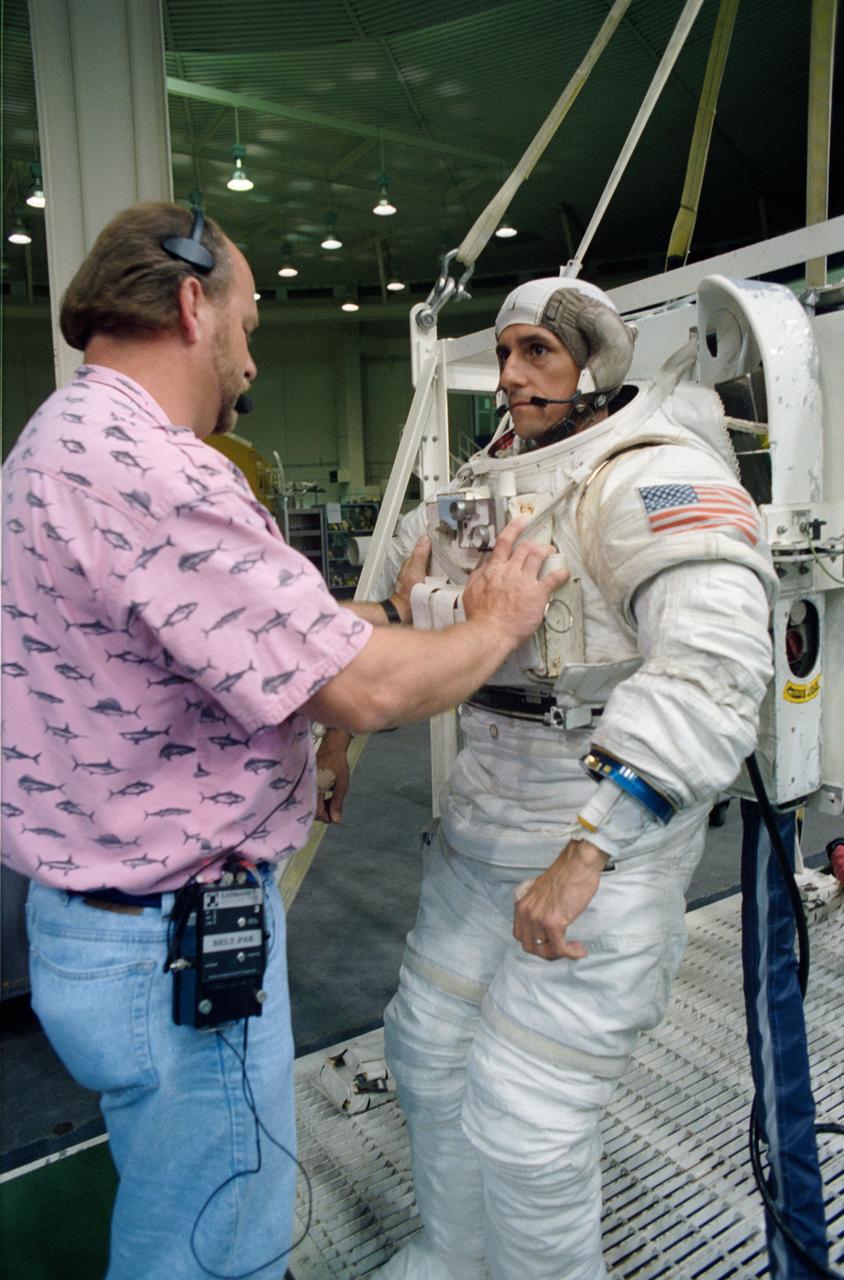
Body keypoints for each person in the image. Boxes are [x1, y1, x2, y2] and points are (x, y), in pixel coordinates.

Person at [0, 204, 568, 1280]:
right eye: (248, 321)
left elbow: (261, 636)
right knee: (218, 1242)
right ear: (188, 302)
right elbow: (361, 690)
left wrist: (388, 632)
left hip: (94, 930)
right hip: (174, 950)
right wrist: (492, 625)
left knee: (174, 1200)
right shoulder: (157, 470)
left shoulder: (61, 439)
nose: (251, 356)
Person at [317, 275, 778, 1279]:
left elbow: (712, 671)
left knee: (526, 1113)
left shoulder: (645, 474)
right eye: (509, 351)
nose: (515, 373)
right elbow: (390, 617)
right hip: (481, 821)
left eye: (539, 352)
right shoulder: (484, 481)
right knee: (426, 1053)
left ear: (594, 364)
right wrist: (337, 730)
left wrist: (589, 847)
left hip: (596, 838)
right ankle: (452, 1249)